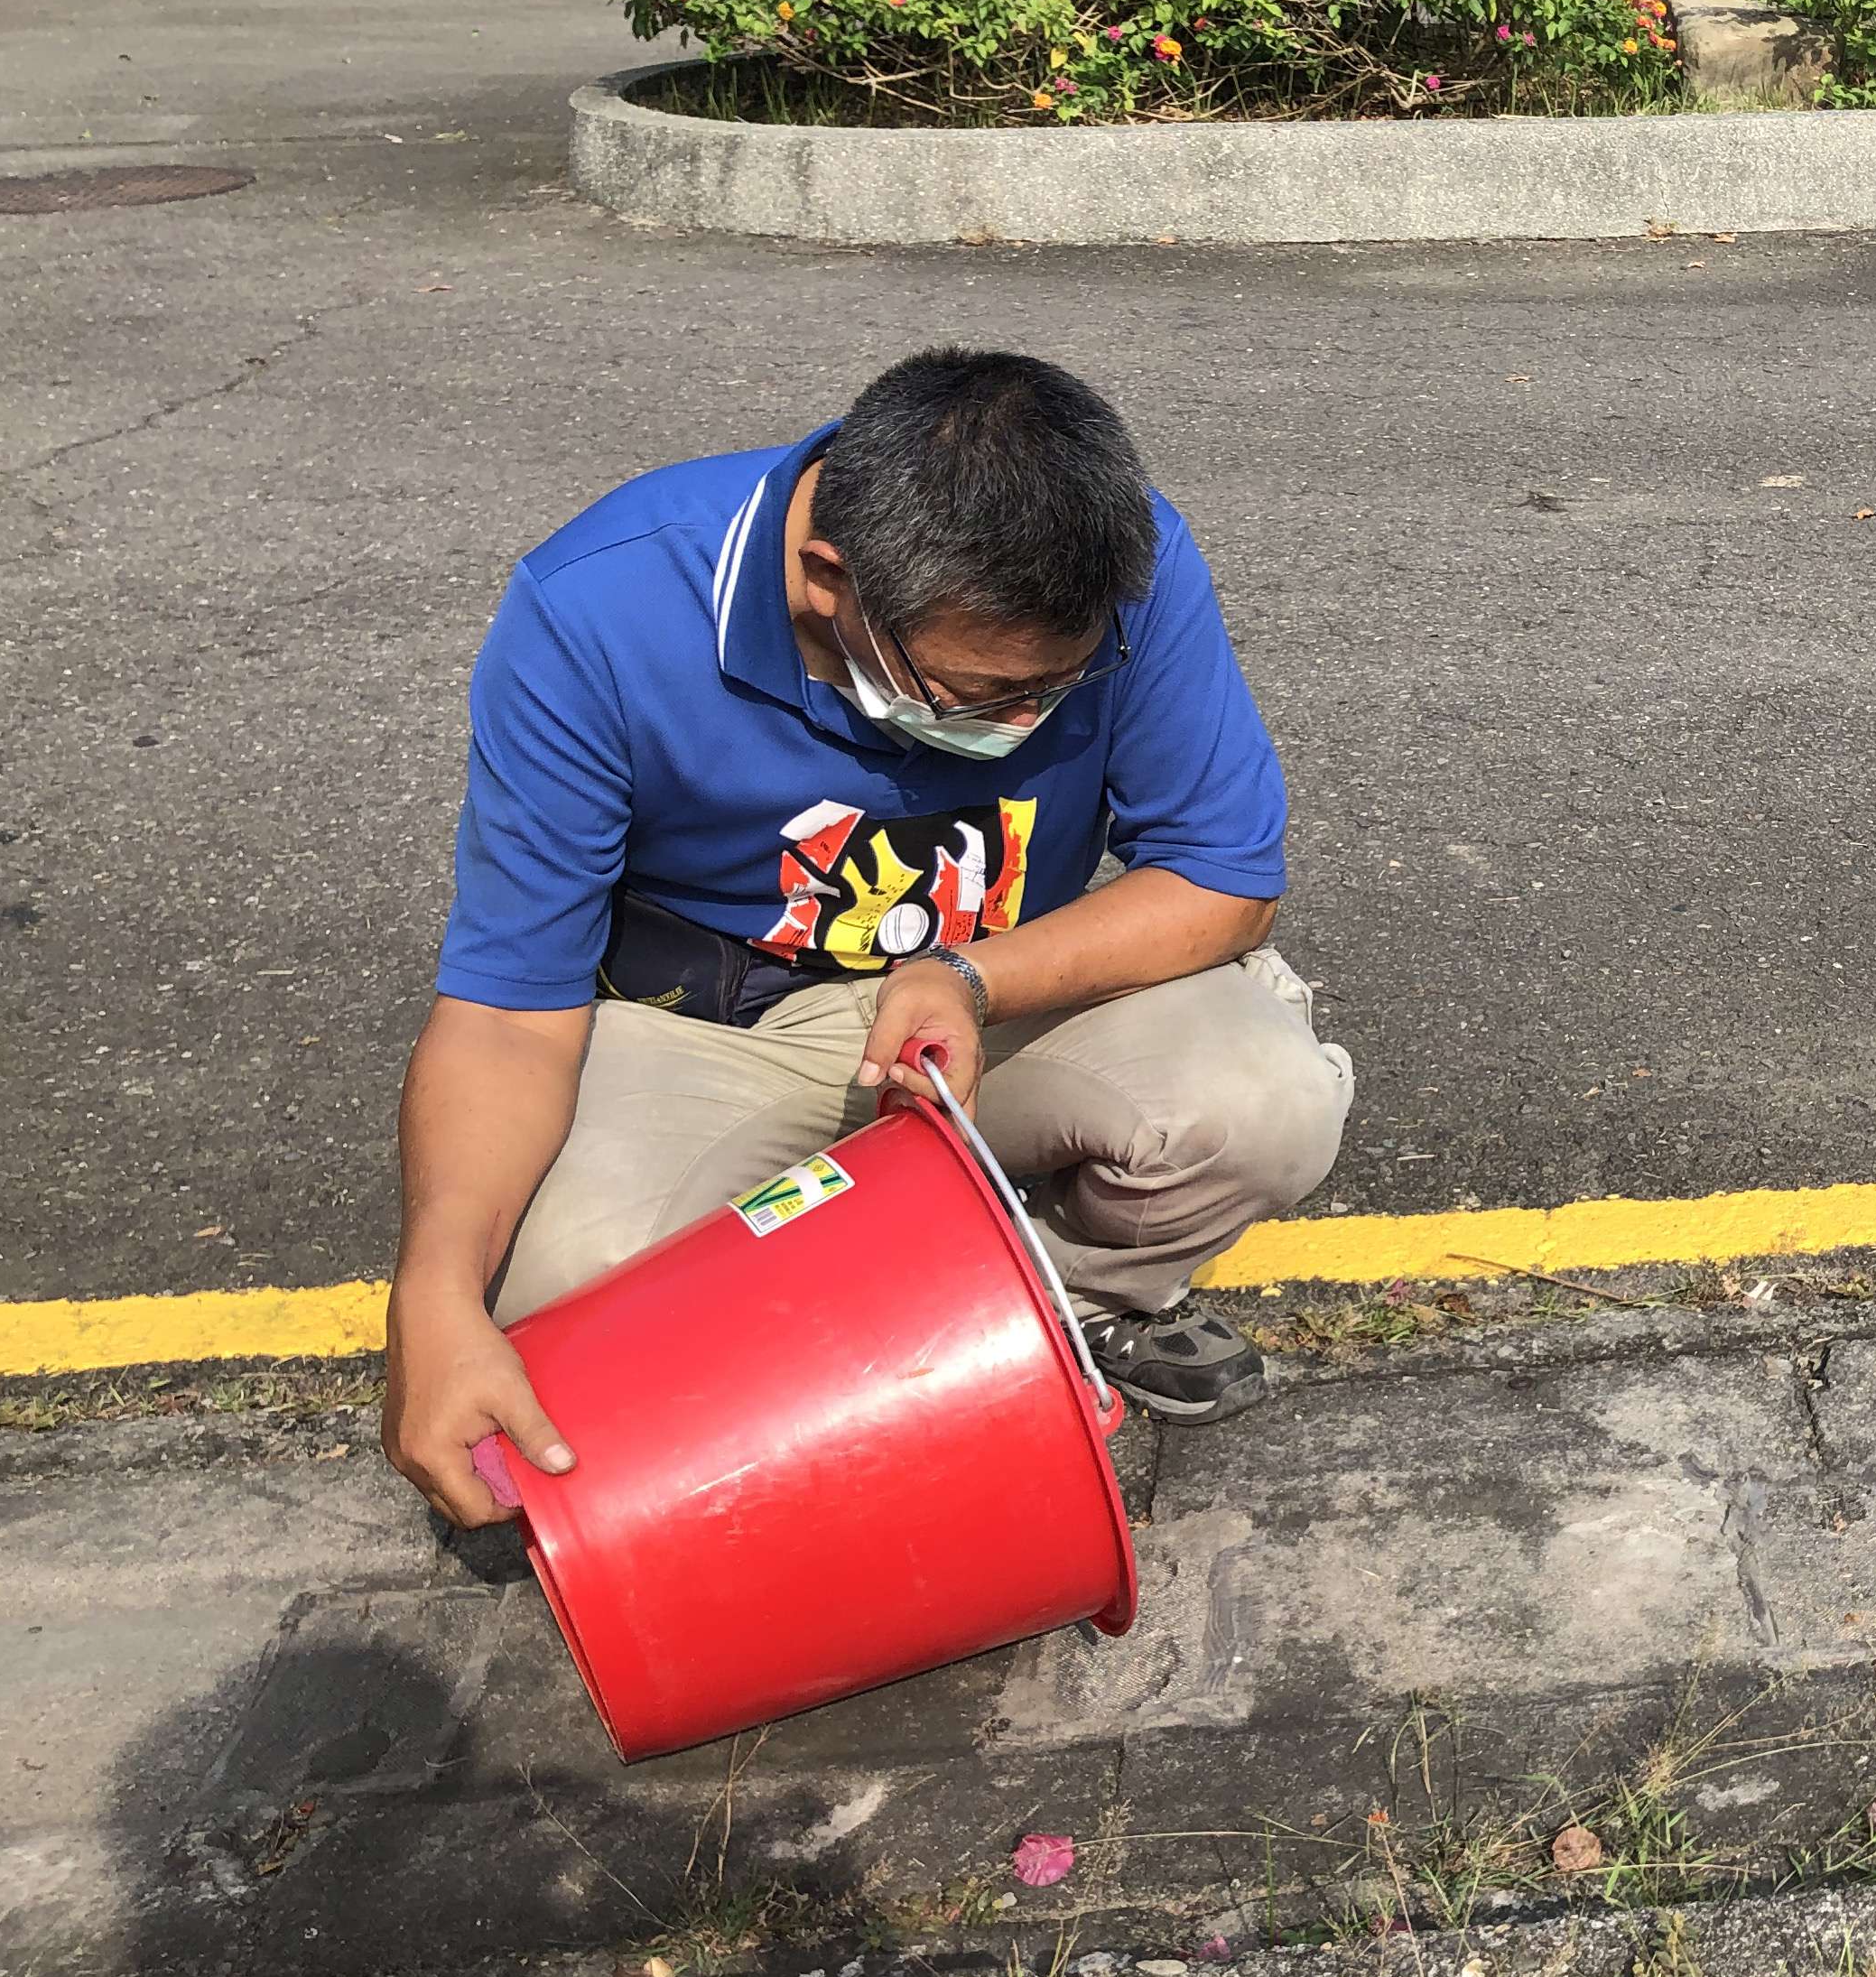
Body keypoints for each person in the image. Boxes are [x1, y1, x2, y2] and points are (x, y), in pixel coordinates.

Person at [382, 351, 1352, 1527]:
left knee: (1262, 1098)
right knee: (564, 1323)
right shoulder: (600, 609)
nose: (1027, 717)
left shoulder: (1128, 562)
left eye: (1058, 684)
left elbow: (1225, 878)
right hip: (710, 1028)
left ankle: (1073, 1301)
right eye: (981, 691)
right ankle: (858, 1295)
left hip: (983, 1004)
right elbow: (504, 1012)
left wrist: (969, 976)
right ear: (830, 579)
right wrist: (432, 1302)